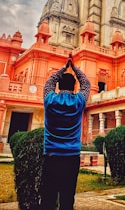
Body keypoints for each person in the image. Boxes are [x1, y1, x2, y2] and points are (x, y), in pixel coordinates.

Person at [41, 57, 90, 210]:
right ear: (75, 86)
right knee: (67, 197)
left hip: (51, 155)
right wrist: (74, 67)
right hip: (71, 156)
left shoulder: (49, 100)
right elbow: (86, 83)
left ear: (58, 85)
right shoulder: (79, 101)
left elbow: (49, 82)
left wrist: (64, 67)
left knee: (48, 196)